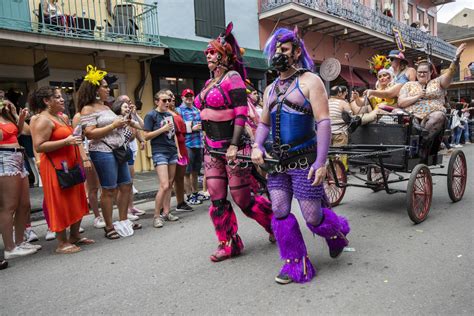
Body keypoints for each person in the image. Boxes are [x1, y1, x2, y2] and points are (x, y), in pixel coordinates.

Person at [252, 27, 350, 284]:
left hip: (304, 160)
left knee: (312, 217)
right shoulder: (270, 88)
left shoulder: (311, 81)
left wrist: (321, 162)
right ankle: (295, 263)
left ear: (296, 52)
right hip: (277, 163)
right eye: (275, 50)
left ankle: (335, 232)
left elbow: (324, 122)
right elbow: (263, 123)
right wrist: (257, 146)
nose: (278, 54)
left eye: (284, 49)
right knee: (280, 211)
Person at [196, 22, 274, 262]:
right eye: (207, 52)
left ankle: (274, 223)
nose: (208, 55)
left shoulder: (234, 78)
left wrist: (233, 144)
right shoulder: (209, 83)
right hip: (211, 149)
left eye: (212, 52)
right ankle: (228, 243)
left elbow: (241, 112)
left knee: (242, 199)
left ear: (223, 56)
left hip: (234, 147)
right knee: (216, 198)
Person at [78, 66, 141, 239]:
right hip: (102, 151)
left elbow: (116, 127)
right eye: (105, 86)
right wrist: (113, 125)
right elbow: (89, 133)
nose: (107, 89)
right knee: (109, 189)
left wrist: (125, 123)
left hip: (119, 150)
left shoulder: (106, 107)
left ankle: (123, 221)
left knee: (126, 185)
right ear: (95, 89)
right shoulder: (87, 109)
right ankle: (109, 226)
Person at [30, 86, 94, 254]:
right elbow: (39, 146)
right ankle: (62, 242)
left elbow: (72, 138)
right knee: (60, 202)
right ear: (46, 101)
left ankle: (74, 236)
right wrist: (65, 142)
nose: (62, 99)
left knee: (77, 199)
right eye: (57, 97)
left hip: (71, 164)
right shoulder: (41, 120)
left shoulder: (62, 117)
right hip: (55, 167)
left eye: (61, 96)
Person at [397, 43, 467, 159]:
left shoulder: (438, 82)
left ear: (430, 73)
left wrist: (456, 59)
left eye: (425, 72)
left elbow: (450, 73)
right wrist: (417, 96)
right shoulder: (408, 85)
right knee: (393, 114)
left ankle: (422, 148)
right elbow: (401, 102)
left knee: (438, 116)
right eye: (419, 72)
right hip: (411, 113)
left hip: (433, 114)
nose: (421, 74)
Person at [0, 98, 39, 260]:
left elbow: (22, 132)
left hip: (18, 156)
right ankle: (9, 247)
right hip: (4, 158)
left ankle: (20, 241)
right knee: (9, 206)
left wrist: (18, 116)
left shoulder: (7, 117)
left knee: (24, 204)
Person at [143, 90, 180, 228]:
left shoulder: (169, 115)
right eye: (164, 100)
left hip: (171, 151)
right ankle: (156, 216)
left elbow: (173, 134)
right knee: (164, 185)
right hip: (159, 152)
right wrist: (163, 129)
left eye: (169, 100)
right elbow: (146, 136)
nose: (167, 103)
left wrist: (177, 150)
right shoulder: (151, 115)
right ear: (156, 101)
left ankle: (166, 212)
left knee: (170, 184)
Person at [112, 95, 146, 218]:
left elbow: (143, 127)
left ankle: (129, 209)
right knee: (119, 186)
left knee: (127, 183)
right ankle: (123, 212)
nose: (128, 107)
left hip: (126, 153)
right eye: (125, 105)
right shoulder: (115, 120)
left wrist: (135, 114)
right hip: (116, 154)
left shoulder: (128, 120)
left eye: (129, 104)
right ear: (118, 107)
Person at [71, 112, 106, 229]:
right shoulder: (78, 116)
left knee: (105, 186)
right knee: (93, 187)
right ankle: (97, 216)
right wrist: (85, 158)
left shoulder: (99, 110)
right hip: (88, 153)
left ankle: (106, 214)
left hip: (102, 150)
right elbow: (77, 137)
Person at [176, 88, 208, 206]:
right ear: (182, 98)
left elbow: (202, 126)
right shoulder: (178, 110)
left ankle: (195, 192)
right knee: (187, 172)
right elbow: (178, 127)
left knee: (195, 171)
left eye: (191, 95)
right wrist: (191, 128)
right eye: (187, 96)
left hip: (198, 143)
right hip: (187, 144)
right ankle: (189, 195)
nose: (189, 98)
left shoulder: (196, 110)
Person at [164, 90, 194, 212]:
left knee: (179, 177)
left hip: (183, 145)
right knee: (169, 180)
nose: (171, 98)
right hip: (173, 147)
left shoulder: (175, 111)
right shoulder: (164, 113)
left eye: (172, 96)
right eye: (168, 97)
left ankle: (181, 202)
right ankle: (163, 208)